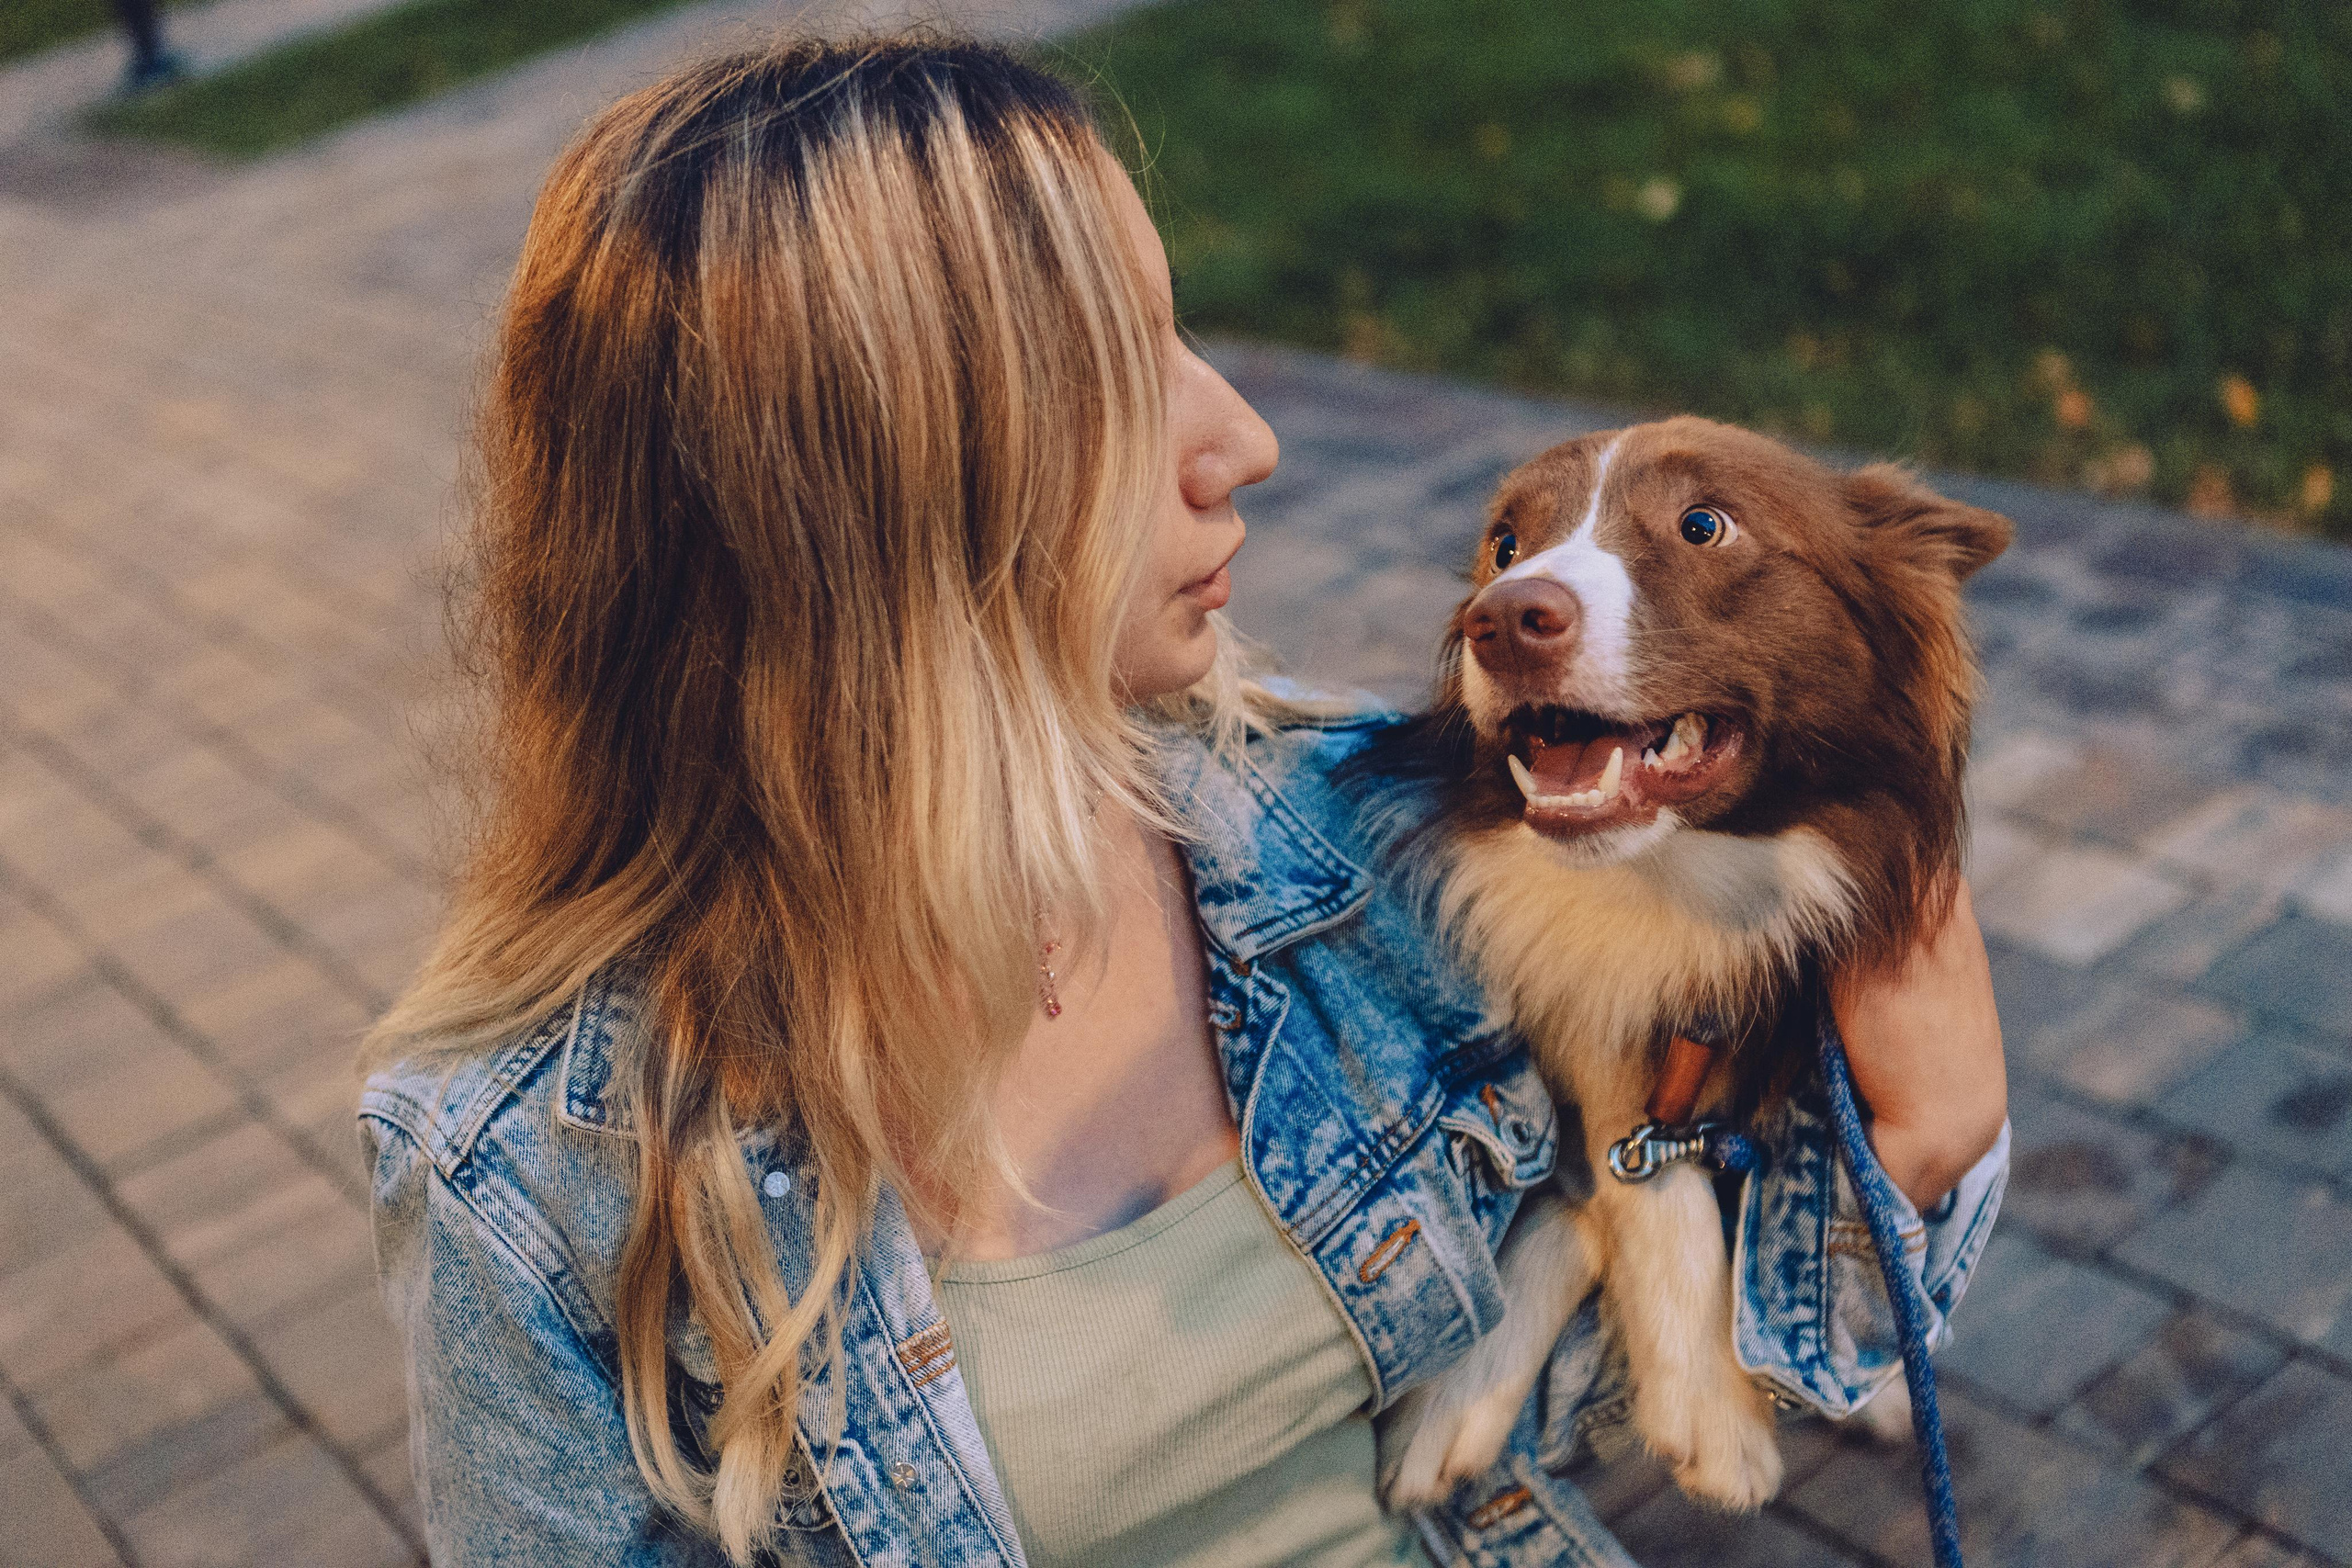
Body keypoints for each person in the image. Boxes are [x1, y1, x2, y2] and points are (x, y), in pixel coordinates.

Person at [360, 36, 2008, 1568]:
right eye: (1120, 362)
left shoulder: (1360, 847)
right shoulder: (530, 1176)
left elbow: (1539, 1396)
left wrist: (1910, 1161)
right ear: (866, 496)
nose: (1248, 435)